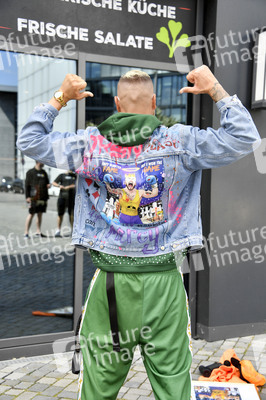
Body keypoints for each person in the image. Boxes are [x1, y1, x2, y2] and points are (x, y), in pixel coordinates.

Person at [17, 65, 261, 400]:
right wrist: (215, 88)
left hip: (111, 288)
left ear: (117, 103)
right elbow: (245, 137)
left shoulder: (89, 144)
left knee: (97, 388)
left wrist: (60, 98)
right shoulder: (181, 141)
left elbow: (29, 139)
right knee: (174, 386)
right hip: (165, 283)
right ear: (154, 102)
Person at [24, 161, 50, 238]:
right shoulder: (30, 172)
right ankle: (26, 232)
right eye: (43, 161)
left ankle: (38, 231)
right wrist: (27, 197)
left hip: (43, 197)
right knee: (31, 214)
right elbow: (27, 186)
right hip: (33, 197)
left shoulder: (44, 172)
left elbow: (47, 183)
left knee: (40, 214)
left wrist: (48, 185)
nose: (44, 163)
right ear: (38, 161)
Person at [52, 170, 76, 237]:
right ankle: (58, 230)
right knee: (60, 214)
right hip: (62, 197)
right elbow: (54, 183)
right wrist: (59, 186)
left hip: (71, 198)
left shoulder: (75, 176)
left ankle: (73, 231)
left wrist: (69, 187)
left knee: (72, 215)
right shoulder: (62, 175)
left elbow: (77, 185)